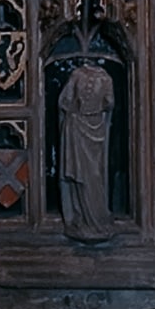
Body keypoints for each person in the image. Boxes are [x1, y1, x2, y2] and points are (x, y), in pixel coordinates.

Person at [55, 60, 118, 243]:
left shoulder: (78, 75)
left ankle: (93, 218)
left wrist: (76, 107)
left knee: (89, 175)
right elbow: (109, 103)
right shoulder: (103, 78)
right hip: (83, 127)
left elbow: (64, 102)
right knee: (84, 174)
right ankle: (82, 218)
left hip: (84, 127)